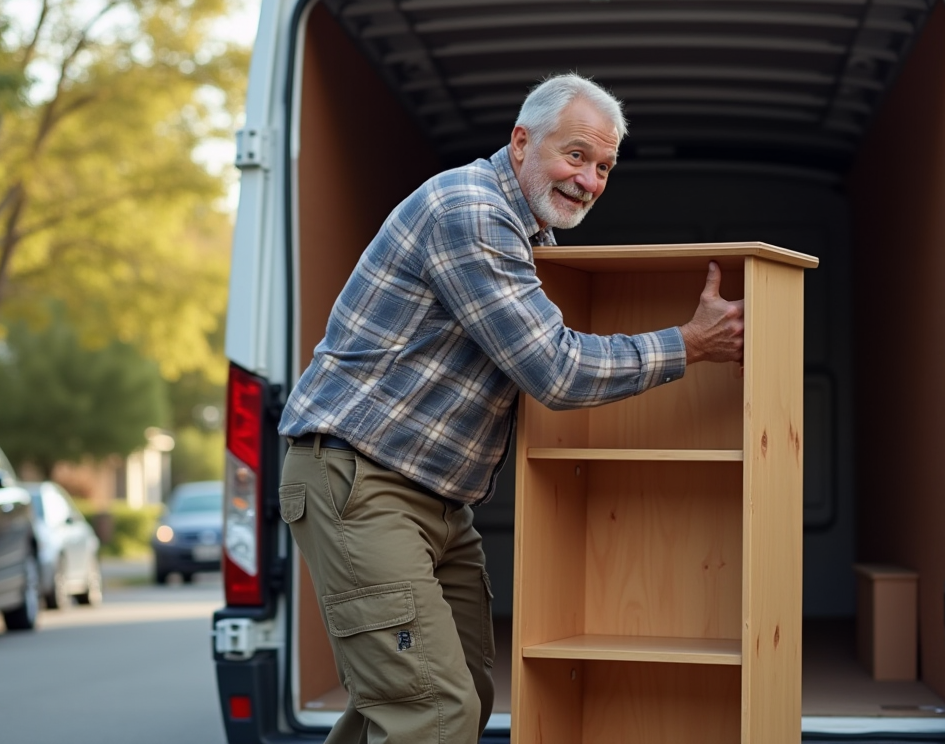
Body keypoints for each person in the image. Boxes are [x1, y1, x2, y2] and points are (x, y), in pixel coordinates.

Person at [277, 73, 744, 743]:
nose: (589, 180)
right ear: (521, 141)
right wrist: (689, 345)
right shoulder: (470, 211)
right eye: (576, 155)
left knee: (444, 693)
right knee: (435, 711)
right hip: (362, 484)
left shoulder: (529, 239)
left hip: (432, 501)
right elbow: (553, 369)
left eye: (604, 166)